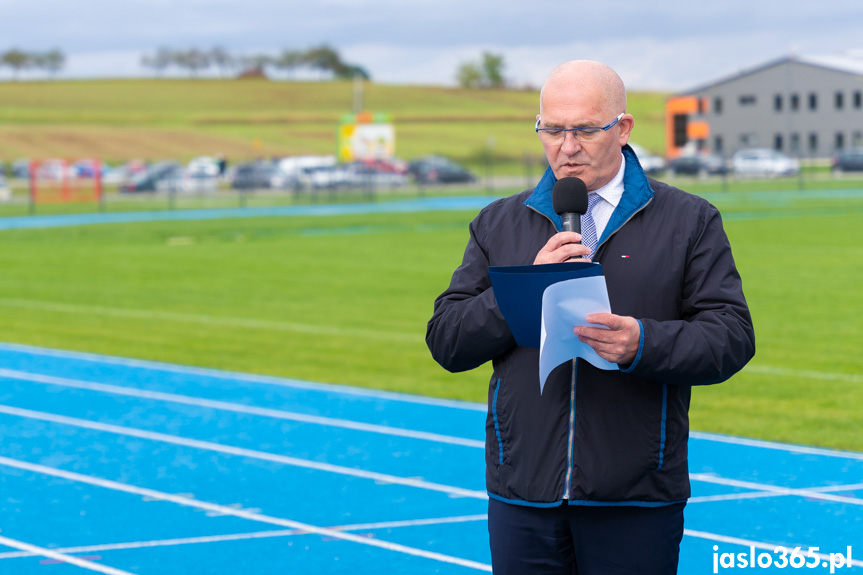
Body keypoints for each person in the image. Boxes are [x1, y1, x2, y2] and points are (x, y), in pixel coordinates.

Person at [425, 60, 755, 574]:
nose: (566, 146)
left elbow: (731, 337)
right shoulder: (499, 222)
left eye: (583, 129)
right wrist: (521, 294)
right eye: (552, 129)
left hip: (636, 496)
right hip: (524, 494)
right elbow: (447, 341)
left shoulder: (689, 220)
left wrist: (642, 344)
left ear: (622, 129)